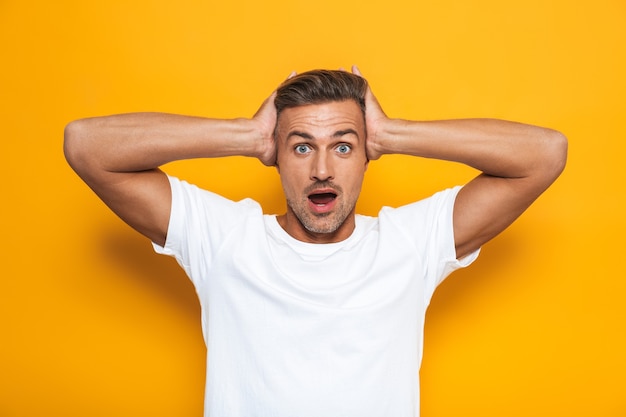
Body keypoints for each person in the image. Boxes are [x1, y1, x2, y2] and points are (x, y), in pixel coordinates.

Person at [64, 67, 567, 417]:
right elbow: (86, 145)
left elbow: (545, 153)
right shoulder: (224, 239)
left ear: (368, 154)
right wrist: (246, 135)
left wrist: (393, 133)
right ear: (275, 156)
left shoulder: (409, 243)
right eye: (301, 146)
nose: (322, 169)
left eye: (344, 147)